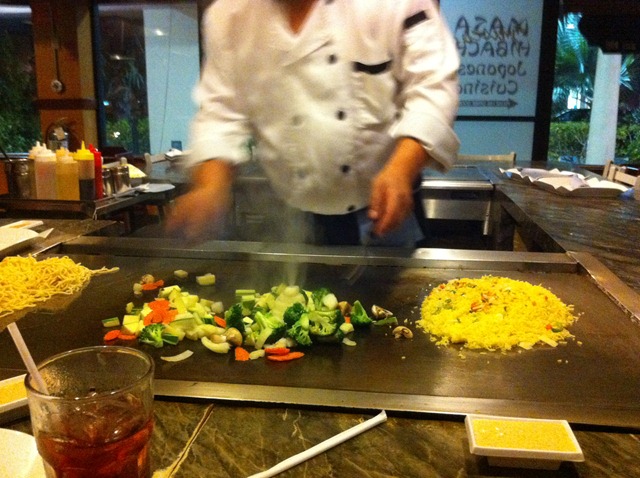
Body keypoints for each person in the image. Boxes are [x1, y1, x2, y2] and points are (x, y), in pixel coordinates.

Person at [166, 0, 460, 247]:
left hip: (385, 210)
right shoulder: (229, 14)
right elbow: (220, 112)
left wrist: (401, 169)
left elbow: (433, 87)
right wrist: (211, 186)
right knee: (289, 295)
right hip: (292, 219)